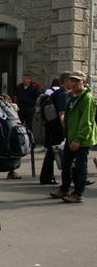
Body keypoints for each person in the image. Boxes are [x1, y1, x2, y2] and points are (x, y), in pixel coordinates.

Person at [50, 70, 97, 203]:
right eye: (72, 80)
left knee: (79, 167)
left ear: (84, 82)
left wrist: (78, 139)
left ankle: (78, 193)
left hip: (82, 138)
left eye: (77, 81)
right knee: (65, 163)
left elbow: (86, 122)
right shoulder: (72, 96)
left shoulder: (86, 98)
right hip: (71, 136)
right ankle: (64, 189)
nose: (74, 83)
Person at [39, 75, 67, 185]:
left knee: (51, 153)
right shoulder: (62, 94)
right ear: (66, 81)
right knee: (66, 153)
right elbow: (62, 113)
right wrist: (66, 129)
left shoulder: (56, 93)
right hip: (59, 128)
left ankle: (46, 177)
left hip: (52, 126)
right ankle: (76, 178)